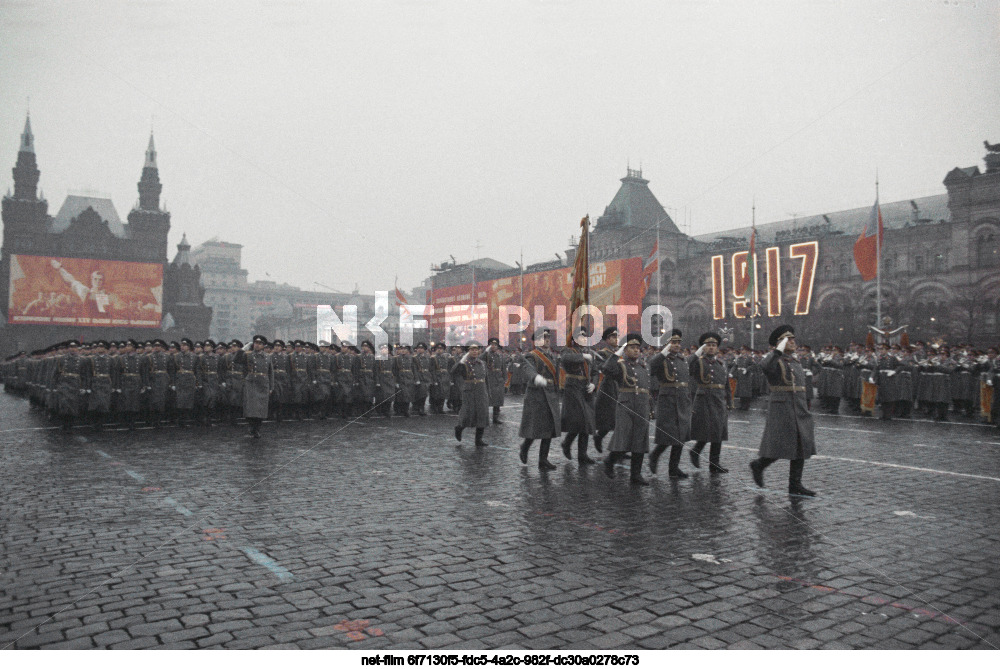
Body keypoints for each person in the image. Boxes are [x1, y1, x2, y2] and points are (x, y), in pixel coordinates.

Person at [749, 325, 818, 496]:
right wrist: (777, 351)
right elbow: (764, 366)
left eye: (793, 339)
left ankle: (795, 484)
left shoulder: (794, 361)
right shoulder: (774, 359)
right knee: (781, 443)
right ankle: (759, 465)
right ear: (779, 343)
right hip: (782, 407)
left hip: (799, 406)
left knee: (801, 444)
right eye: (788, 340)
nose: (793, 342)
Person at [601, 333, 653, 485]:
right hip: (626, 405)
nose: (636, 350)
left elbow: (647, 388)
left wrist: (651, 407)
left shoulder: (643, 367)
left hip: (642, 406)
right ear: (625, 349)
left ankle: (635, 474)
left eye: (638, 348)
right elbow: (607, 369)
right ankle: (609, 462)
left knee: (640, 440)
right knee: (623, 437)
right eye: (632, 347)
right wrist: (618, 353)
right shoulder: (620, 365)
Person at [647, 329, 692, 478]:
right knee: (669, 434)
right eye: (673, 342)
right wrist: (663, 353)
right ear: (666, 344)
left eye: (678, 342)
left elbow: (686, 381)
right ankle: (654, 455)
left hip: (682, 400)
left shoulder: (682, 359)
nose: (677, 345)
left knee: (681, 435)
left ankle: (673, 468)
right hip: (668, 400)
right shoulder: (660, 359)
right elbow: (650, 368)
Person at [518, 328, 561, 471]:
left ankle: (543, 460)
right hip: (537, 395)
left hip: (550, 394)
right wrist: (535, 377)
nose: (547, 340)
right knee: (535, 427)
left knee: (549, 428)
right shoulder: (532, 355)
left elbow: (556, 375)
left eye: (548, 337)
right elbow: (527, 369)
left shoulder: (553, 356)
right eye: (543, 338)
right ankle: (525, 446)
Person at [689, 332, 731, 473]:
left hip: (719, 400)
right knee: (705, 430)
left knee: (718, 431)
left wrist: (729, 401)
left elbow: (726, 384)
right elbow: (687, 366)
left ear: (717, 348)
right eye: (708, 345)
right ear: (703, 348)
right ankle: (695, 451)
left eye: (714, 345)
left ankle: (714, 463)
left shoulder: (722, 363)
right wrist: (696, 353)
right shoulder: (698, 362)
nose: (711, 348)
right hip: (704, 400)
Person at [559, 329, 597, 465]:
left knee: (586, 422)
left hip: (586, 388)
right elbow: (565, 359)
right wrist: (582, 357)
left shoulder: (590, 352)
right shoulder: (568, 350)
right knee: (579, 420)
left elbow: (596, 371)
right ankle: (567, 443)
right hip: (573, 387)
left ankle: (582, 454)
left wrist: (594, 383)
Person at [452, 341, 490, 446]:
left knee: (482, 414)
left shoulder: (482, 363)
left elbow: (485, 379)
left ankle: (478, 439)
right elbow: (454, 371)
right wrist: (461, 361)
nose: (474, 351)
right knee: (468, 413)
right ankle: (459, 428)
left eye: (476, 349)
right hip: (469, 391)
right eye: (471, 349)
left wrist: (488, 392)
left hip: (481, 391)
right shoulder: (465, 363)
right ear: (468, 351)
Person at [592, 327, 619, 453]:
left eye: (616, 337)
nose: (616, 339)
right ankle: (599, 437)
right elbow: (602, 368)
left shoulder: (620, 352)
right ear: (607, 340)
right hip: (608, 388)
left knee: (621, 420)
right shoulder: (602, 353)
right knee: (609, 419)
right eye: (613, 337)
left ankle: (618, 449)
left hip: (620, 387)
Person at [244, 335, 273, 438]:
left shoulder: (268, 357)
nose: (257, 345)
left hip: (263, 384)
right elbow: (236, 359)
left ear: (263, 346)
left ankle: (257, 429)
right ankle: (251, 429)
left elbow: (270, 373)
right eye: (255, 343)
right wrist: (244, 348)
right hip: (252, 383)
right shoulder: (248, 355)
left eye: (260, 343)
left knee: (261, 409)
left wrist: (271, 387)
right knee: (251, 408)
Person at [484, 337, 508, 424]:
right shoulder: (486, 355)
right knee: (487, 399)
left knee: (498, 399)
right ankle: (484, 417)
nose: (493, 346)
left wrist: (505, 378)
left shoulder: (500, 356)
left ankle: (495, 417)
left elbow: (503, 368)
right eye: (491, 345)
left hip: (499, 379)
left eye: (495, 345)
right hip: (489, 379)